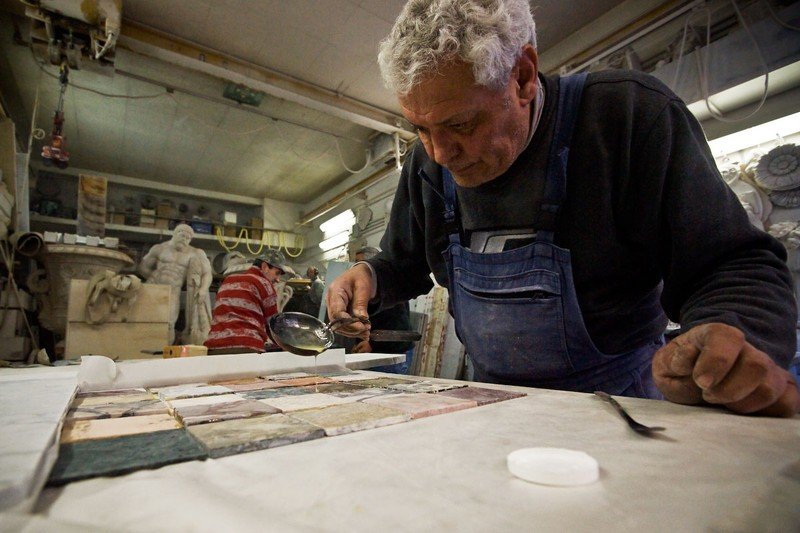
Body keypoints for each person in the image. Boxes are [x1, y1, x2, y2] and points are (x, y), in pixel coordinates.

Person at [326, 0, 799, 417]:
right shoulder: (426, 166)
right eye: (421, 130)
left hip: (623, 404)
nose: (440, 153)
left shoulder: (626, 118)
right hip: (492, 402)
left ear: (523, 77)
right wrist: (371, 277)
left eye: (463, 124)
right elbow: (403, 264)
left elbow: (730, 265)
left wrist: (729, 334)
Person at [204, 253, 295, 354]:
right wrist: (288, 346)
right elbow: (273, 325)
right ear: (265, 267)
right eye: (277, 273)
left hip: (214, 347)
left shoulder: (228, 280)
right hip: (246, 347)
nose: (278, 280)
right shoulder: (264, 283)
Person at [139, 223, 212, 344]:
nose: (184, 239)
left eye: (188, 238)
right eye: (182, 235)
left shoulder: (195, 253)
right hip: (153, 287)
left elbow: (207, 273)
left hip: (173, 291)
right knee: (145, 320)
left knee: (169, 323)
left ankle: (163, 351)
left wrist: (203, 289)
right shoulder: (159, 248)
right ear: (175, 234)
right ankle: (142, 348)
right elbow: (143, 267)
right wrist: (153, 276)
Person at [350, 247, 414, 357]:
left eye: (359, 263)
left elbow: (400, 330)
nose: (355, 268)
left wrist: (373, 345)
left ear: (371, 264)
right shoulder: (370, 290)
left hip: (392, 354)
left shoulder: (389, 289)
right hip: (376, 351)